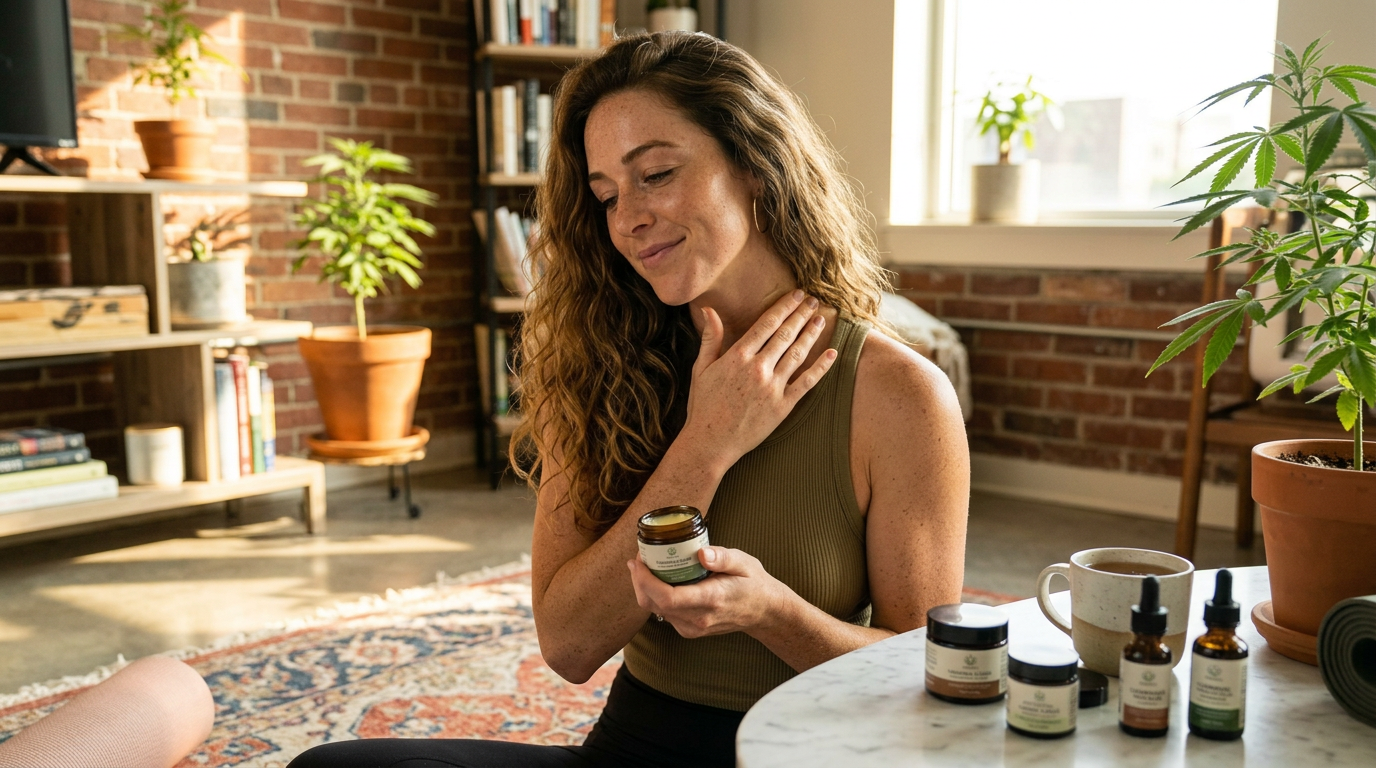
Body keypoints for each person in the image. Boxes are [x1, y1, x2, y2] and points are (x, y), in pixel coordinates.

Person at [290, 30, 968, 768]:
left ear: (756, 165)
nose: (627, 218)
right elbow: (569, 645)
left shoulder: (900, 395)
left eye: (657, 174)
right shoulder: (596, 364)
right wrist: (706, 444)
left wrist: (773, 612)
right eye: (607, 195)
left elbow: (927, 674)